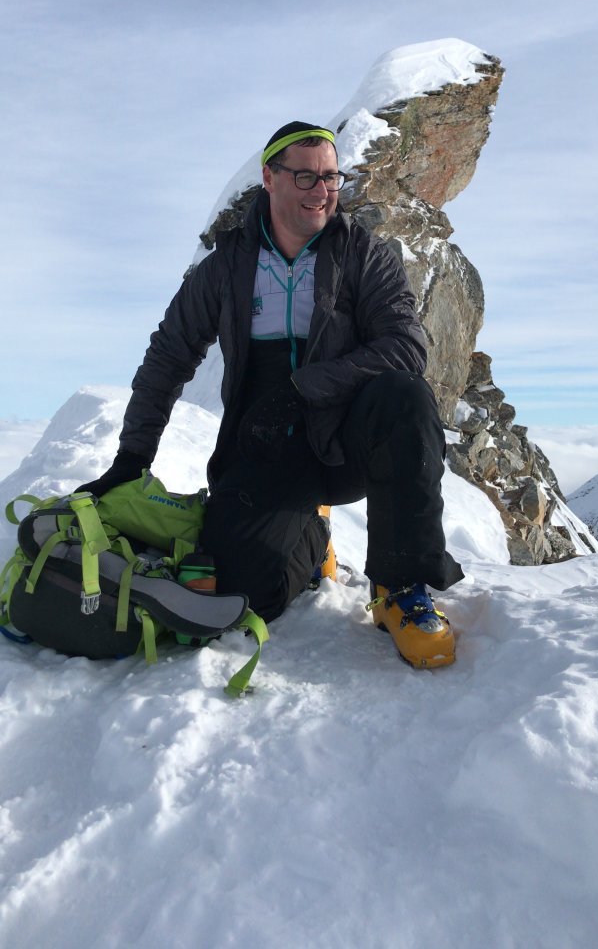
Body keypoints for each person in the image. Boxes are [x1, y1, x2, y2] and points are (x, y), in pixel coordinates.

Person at [82, 121, 464, 668]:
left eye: (330, 176)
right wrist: (131, 458)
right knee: (240, 594)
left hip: (346, 440)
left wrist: (303, 388)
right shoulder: (226, 268)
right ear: (270, 177)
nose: (322, 191)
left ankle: (400, 586)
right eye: (306, 176)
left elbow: (404, 347)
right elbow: (167, 358)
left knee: (404, 395)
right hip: (263, 442)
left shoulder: (364, 255)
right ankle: (312, 536)